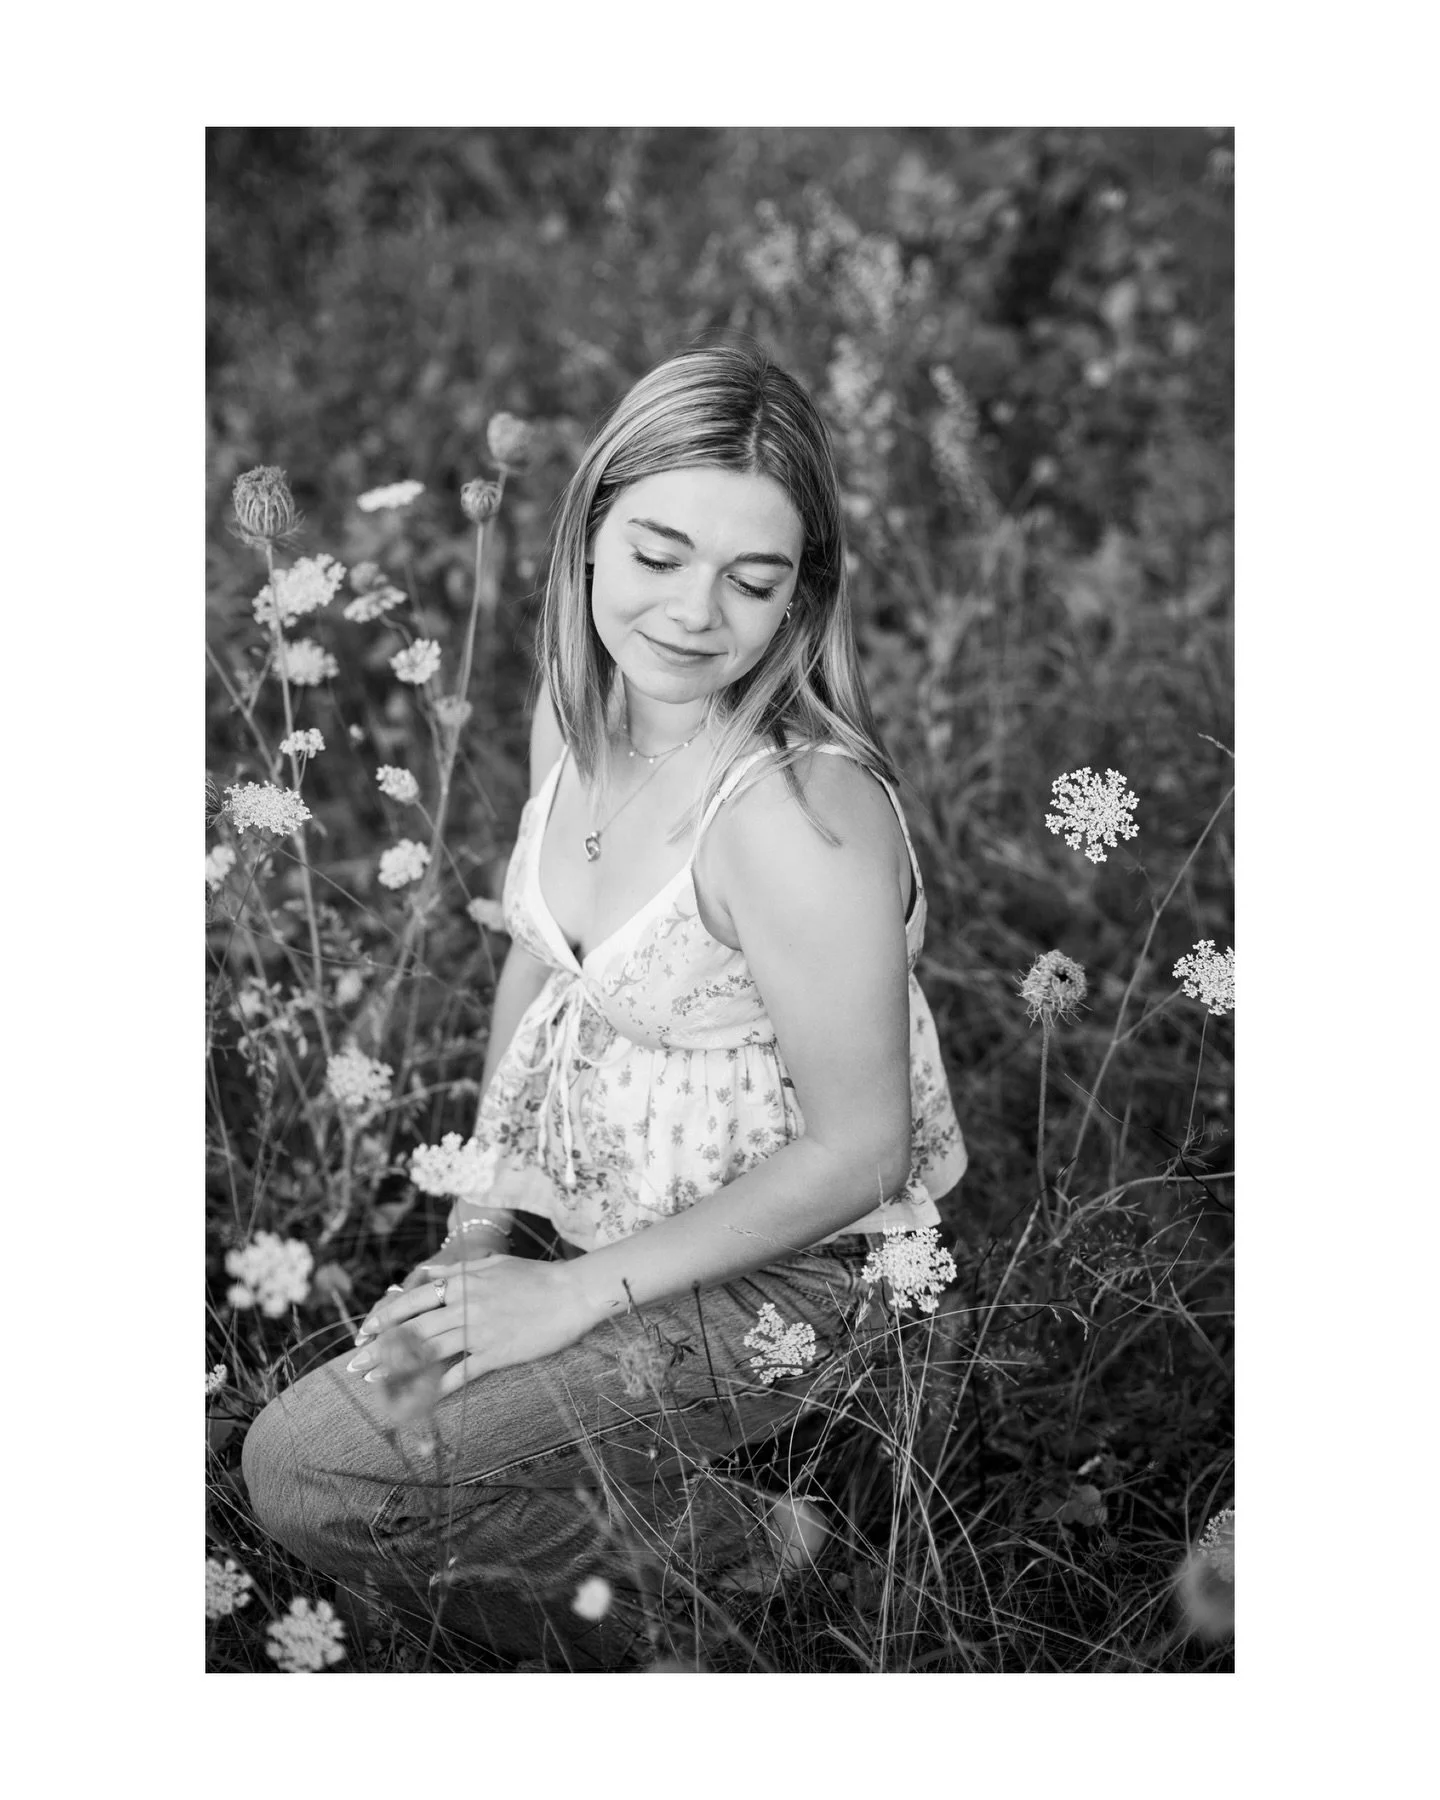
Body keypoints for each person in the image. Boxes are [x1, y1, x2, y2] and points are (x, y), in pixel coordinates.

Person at [242, 339, 968, 1670]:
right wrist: (480, 1234)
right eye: (658, 555)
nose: (694, 614)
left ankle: (764, 1559)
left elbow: (864, 1151)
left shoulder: (795, 815)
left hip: (796, 1274)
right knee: (325, 1443)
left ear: (802, 597)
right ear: (587, 532)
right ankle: (681, 1522)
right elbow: (544, 974)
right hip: (589, 1217)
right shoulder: (579, 716)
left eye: (752, 580)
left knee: (312, 1470)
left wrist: (568, 1301)